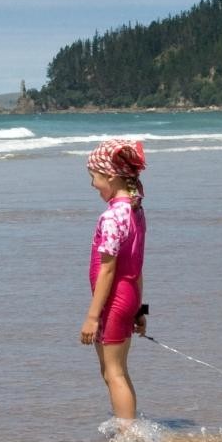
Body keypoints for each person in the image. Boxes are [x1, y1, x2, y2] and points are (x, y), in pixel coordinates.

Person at [81, 138, 148, 423]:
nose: (92, 184)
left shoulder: (112, 217)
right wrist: (140, 309)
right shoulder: (134, 210)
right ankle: (127, 426)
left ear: (110, 176)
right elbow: (137, 266)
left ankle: (128, 435)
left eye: (94, 178)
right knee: (116, 370)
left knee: (113, 372)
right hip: (129, 295)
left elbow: (108, 270)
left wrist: (92, 317)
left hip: (114, 301)